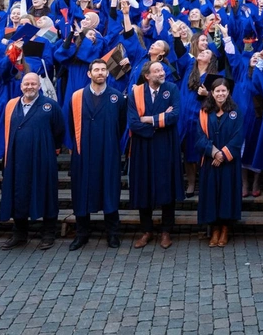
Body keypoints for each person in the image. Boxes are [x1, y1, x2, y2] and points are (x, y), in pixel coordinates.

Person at [66, 59, 128, 250]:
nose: (100, 72)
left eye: (103, 70)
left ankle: (113, 234)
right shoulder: (76, 97)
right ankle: (81, 233)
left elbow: (122, 124)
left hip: (108, 152)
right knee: (81, 192)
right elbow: (70, 123)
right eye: (96, 70)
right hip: (83, 153)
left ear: (108, 73)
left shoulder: (116, 97)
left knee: (109, 191)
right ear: (89, 73)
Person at [0, 73, 65, 250]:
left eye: (33, 84)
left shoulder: (50, 106)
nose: (29, 87)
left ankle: (48, 233)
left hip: (42, 158)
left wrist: (49, 148)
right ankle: (19, 234)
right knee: (18, 194)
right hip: (16, 159)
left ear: (39, 86)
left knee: (46, 194)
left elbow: (59, 130)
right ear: (21, 86)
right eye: (26, 84)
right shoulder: (11, 105)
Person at [127, 60, 184, 249]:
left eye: (162, 70)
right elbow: (133, 122)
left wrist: (150, 119)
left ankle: (166, 231)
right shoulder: (136, 92)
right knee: (144, 187)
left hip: (166, 145)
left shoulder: (172, 89)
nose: (162, 73)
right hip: (143, 144)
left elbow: (175, 116)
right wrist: (159, 121)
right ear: (147, 76)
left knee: (166, 186)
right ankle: (147, 230)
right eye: (157, 70)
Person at [195, 77, 243, 248]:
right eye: (217, 91)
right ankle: (214, 229)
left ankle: (224, 229)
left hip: (229, 163)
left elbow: (238, 137)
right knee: (211, 195)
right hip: (210, 162)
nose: (221, 93)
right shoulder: (204, 112)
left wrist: (223, 154)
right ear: (212, 93)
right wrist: (214, 152)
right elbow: (199, 136)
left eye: (224, 90)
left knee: (226, 195)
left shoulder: (236, 112)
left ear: (228, 92)